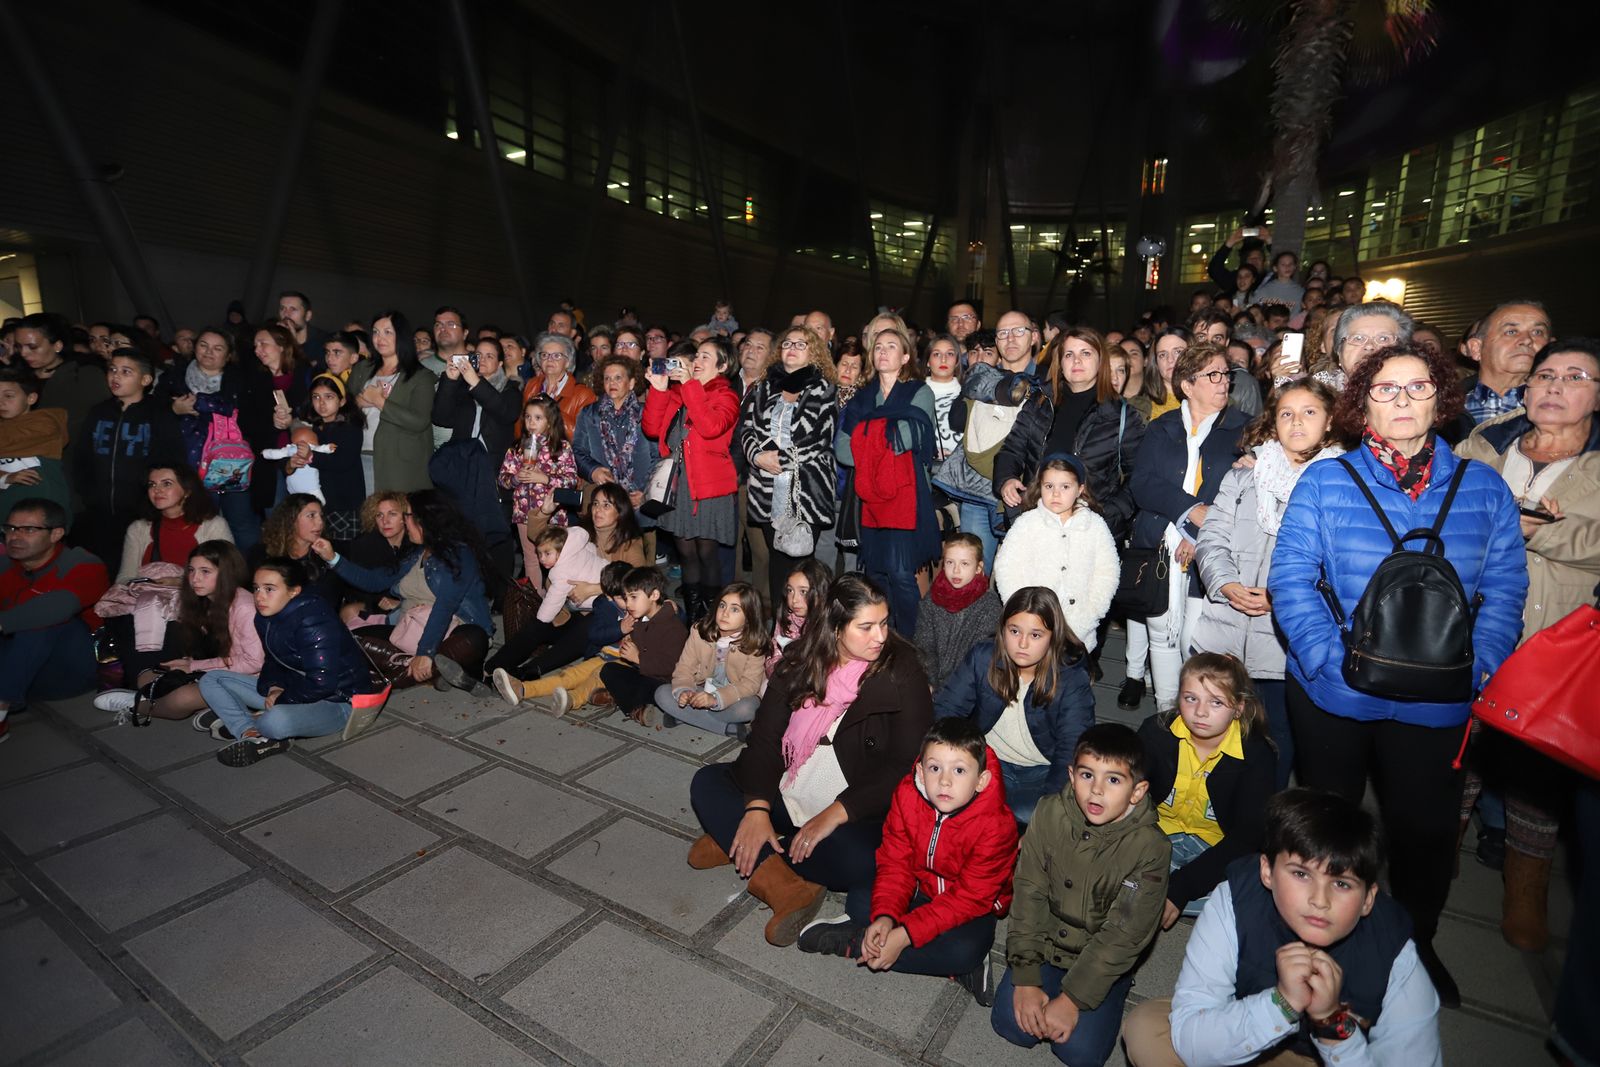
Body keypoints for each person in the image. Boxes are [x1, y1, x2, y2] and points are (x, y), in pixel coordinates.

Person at [1269, 343, 1528, 1005]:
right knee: (1328, 825)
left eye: (1418, 387)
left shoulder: (1483, 487)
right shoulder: (1327, 481)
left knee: (1425, 834)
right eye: (1386, 389)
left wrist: (1479, 668)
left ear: (1442, 399)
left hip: (1438, 701)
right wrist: (1327, 661)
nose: (1403, 400)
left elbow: (1504, 588)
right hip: (1335, 694)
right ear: (1363, 404)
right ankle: (1318, 941)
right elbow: (1291, 578)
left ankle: (1415, 946)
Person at [687, 574, 934, 945]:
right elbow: (765, 739)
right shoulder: (800, 659)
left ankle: (745, 846)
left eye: (884, 623)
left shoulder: (903, 671)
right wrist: (757, 808)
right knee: (707, 783)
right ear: (835, 628)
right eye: (866, 627)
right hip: (791, 788)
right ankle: (783, 881)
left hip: (852, 807)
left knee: (862, 860)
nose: (880, 636)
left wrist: (836, 813)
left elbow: (905, 764)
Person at [1121, 789, 1444, 1067]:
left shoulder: (1394, 951)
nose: (1320, 900)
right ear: (1267, 871)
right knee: (1148, 1030)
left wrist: (1331, 1022)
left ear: (1368, 899)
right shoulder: (1235, 898)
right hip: (1249, 1029)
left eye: (1342, 884)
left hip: (1330, 1057)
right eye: (1301, 874)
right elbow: (1190, 1035)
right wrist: (1282, 1003)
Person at [1455, 337, 1600, 952]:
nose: (1555, 386)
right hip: (1469, 628)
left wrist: (1541, 531)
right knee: (1456, 757)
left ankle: (1526, 891)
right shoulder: (1485, 446)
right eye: (1546, 375)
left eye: (1576, 377)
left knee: (1536, 776)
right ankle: (1434, 864)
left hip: (1556, 640)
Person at [796, 717, 1019, 1006]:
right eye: (935, 768)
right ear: (921, 772)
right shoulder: (907, 794)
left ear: (981, 781)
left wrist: (904, 935)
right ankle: (928, 957)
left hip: (967, 905)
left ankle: (857, 943)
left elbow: (970, 899)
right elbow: (895, 862)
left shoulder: (997, 826)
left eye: (959, 770)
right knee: (862, 901)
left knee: (967, 950)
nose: (945, 781)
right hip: (919, 886)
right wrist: (886, 916)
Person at [1191, 380, 1343, 788]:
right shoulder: (1245, 474)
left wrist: (1281, 599)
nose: (1297, 422)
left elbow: (1339, 566)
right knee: (1213, 738)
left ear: (1330, 421)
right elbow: (1212, 537)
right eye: (1286, 413)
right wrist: (1225, 583)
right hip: (1224, 630)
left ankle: (1266, 817)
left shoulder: (1340, 484)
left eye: (1309, 412)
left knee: (1276, 742)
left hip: (1285, 642)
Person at [990, 723, 1170, 1067]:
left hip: (1099, 956)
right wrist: (1025, 977)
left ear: (1137, 791)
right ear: (1072, 776)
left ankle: (1113, 987)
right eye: (1087, 775)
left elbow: (1124, 935)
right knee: (1011, 1026)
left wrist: (1072, 1000)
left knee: (1079, 1053)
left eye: (1113, 780)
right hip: (1046, 945)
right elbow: (1029, 893)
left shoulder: (1151, 848)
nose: (1096, 791)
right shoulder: (1049, 812)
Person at [1127, 341, 1252, 710]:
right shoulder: (1161, 427)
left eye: (1226, 374)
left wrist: (1198, 535)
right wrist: (1188, 511)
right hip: (1159, 544)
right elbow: (1142, 483)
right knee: (1161, 633)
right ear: (1187, 385)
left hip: (1214, 548)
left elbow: (1240, 492)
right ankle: (1167, 712)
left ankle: (1196, 711)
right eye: (1213, 375)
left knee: (1193, 642)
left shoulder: (1244, 429)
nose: (1223, 381)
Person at [198, 557, 385, 767]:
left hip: (340, 701)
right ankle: (249, 732)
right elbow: (273, 660)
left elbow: (323, 682)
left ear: (294, 591)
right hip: (296, 688)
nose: (259, 596)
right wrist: (274, 686)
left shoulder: (314, 621)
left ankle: (252, 722)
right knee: (211, 679)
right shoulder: (265, 618)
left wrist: (282, 698)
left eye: (269, 589)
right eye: (256, 588)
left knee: (274, 721)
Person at [1138, 653, 1277, 929]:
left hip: (1218, 849)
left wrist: (1182, 886)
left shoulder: (1256, 755)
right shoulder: (1155, 733)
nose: (1200, 712)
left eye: (1216, 702)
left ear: (1238, 708)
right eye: (1191, 698)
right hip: (1155, 836)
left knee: (1259, 889)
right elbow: (1128, 798)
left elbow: (1248, 836)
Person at [934, 586, 1095, 825]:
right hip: (986, 760)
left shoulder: (1071, 678)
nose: (1022, 643)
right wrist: (947, 763)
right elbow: (947, 710)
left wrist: (1049, 803)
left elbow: (1071, 748)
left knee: (1026, 814)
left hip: (1041, 771)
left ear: (1053, 637)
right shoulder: (983, 657)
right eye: (1014, 631)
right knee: (947, 795)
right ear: (1003, 629)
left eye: (1036, 635)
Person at [314, 489, 495, 692]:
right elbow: (373, 581)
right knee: (347, 638)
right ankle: (433, 670)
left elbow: (444, 607)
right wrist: (332, 558)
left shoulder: (458, 554)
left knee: (474, 637)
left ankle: (388, 681)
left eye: (407, 515)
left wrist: (425, 652)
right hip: (410, 631)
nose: (404, 520)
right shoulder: (415, 553)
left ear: (424, 519)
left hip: (453, 631)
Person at [995, 328, 1148, 543]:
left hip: (1090, 532)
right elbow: (1012, 449)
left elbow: (1139, 474)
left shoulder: (1121, 414)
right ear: (1060, 363)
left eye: (1085, 353)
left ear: (1100, 361)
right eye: (1069, 354)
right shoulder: (1040, 402)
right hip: (1037, 523)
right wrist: (1006, 479)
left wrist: (1109, 514)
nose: (1077, 361)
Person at [836, 324, 939, 634]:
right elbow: (842, 448)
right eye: (878, 347)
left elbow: (909, 437)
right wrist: (880, 440)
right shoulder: (863, 397)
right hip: (869, 498)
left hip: (907, 495)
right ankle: (883, 636)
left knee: (901, 574)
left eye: (891, 346)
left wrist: (866, 440)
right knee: (877, 576)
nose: (883, 351)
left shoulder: (918, 392)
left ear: (905, 356)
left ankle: (913, 641)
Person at [93, 541, 263, 729]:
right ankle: (212, 709)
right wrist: (189, 663)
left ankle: (135, 706)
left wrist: (194, 666)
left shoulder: (244, 607)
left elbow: (254, 662)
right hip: (220, 670)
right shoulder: (204, 601)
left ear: (227, 573)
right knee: (148, 676)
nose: (195, 579)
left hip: (251, 679)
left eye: (205, 571)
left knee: (182, 699)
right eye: (191, 570)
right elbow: (210, 648)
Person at [738, 324, 839, 611]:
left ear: (814, 352)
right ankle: (780, 627)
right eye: (787, 343)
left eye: (800, 344)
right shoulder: (763, 386)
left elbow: (819, 439)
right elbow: (747, 429)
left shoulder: (824, 389)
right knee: (777, 563)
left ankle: (807, 627)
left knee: (801, 567)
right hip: (767, 491)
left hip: (807, 493)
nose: (792, 348)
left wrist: (779, 461)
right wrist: (757, 457)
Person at [644, 337, 741, 621]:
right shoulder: (678, 393)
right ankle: (694, 619)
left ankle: (711, 620)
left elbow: (711, 427)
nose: (697, 361)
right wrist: (659, 389)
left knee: (707, 554)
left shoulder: (726, 396)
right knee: (686, 554)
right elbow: (651, 428)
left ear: (722, 365)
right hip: (678, 485)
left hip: (708, 487)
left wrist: (689, 386)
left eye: (705, 357)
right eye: (696, 355)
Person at [0, 498, 110, 735]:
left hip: (70, 669)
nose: (15, 536)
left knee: (45, 619)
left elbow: (59, 607)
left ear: (56, 534)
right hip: (18, 667)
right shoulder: (6, 565)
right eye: (10, 528)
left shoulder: (83, 564)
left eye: (29, 529)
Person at [993, 453, 1119, 651]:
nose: (1056, 494)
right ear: (1040, 486)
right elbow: (1006, 569)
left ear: (1080, 489)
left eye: (1065, 487)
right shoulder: (1027, 523)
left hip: (1079, 631)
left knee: (1071, 671)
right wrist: (1022, 613)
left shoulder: (1095, 526)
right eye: (1049, 486)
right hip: (1031, 630)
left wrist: (1090, 614)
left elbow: (1107, 573)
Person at [74, 348, 184, 566]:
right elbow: (82, 457)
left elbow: (173, 459)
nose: (115, 376)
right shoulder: (98, 412)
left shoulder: (159, 413)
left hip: (142, 509)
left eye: (126, 372)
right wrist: (86, 493)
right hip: (98, 508)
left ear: (145, 380)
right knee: (101, 564)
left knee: (137, 564)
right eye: (112, 370)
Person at [159, 327, 268, 549]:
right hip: (188, 464)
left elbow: (252, 417)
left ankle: (248, 567)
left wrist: (205, 404)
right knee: (199, 523)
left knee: (241, 523)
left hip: (231, 463)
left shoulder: (241, 380)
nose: (209, 352)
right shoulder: (173, 376)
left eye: (218, 348)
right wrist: (173, 409)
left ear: (228, 355)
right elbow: (154, 413)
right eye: (203, 345)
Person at [491, 560, 631, 714]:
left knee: (593, 678)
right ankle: (521, 687)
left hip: (625, 662)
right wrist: (619, 628)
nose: (628, 601)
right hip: (605, 655)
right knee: (570, 675)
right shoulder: (606, 604)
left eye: (630, 596)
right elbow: (597, 634)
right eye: (621, 597)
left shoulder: (640, 605)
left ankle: (571, 700)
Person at [483, 523, 605, 681]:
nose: (542, 559)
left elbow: (551, 604)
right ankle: (494, 667)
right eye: (539, 554)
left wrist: (592, 588)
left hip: (605, 611)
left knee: (544, 622)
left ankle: (521, 673)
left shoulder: (562, 571)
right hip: (581, 609)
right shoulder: (578, 545)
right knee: (538, 628)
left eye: (547, 554)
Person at [431, 333, 521, 545]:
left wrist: (475, 382)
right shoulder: (462, 389)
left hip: (492, 472)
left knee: (492, 538)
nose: (483, 360)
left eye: (490, 356)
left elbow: (505, 413)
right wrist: (450, 379)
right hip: (461, 469)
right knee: (459, 533)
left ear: (500, 363)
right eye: (478, 355)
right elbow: (440, 418)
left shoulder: (510, 390)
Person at [653, 581, 769, 737]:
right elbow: (684, 667)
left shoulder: (755, 644)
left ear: (749, 616)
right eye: (722, 605)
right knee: (661, 694)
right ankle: (726, 728)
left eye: (735, 609)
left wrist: (715, 699)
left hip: (733, 697)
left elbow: (750, 685)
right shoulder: (699, 631)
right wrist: (685, 691)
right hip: (700, 690)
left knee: (749, 708)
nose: (725, 613)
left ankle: (685, 716)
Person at [14, 313, 110, 499]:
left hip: (77, 472)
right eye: (19, 346)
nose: (24, 353)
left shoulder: (84, 375)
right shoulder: (16, 378)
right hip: (23, 474)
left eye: (32, 346)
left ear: (57, 345)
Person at [349, 311, 437, 494]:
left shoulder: (421, 377)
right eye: (375, 332)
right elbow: (342, 407)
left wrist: (378, 401)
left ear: (401, 336)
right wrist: (359, 401)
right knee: (365, 510)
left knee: (394, 509)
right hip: (359, 453)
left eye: (387, 332)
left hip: (399, 461)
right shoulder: (362, 368)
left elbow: (419, 421)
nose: (380, 338)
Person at [499, 395, 580, 582]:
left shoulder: (560, 448)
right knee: (531, 559)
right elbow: (503, 478)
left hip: (553, 513)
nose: (531, 422)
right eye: (528, 417)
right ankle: (536, 597)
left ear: (550, 421)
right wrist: (516, 478)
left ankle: (557, 595)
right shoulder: (518, 447)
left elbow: (571, 480)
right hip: (524, 513)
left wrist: (545, 478)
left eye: (538, 418)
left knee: (557, 559)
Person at [598, 565, 689, 726]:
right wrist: (630, 642)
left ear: (654, 595)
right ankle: (636, 706)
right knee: (608, 670)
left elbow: (671, 667)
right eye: (626, 598)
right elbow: (642, 645)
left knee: (649, 686)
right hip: (646, 674)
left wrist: (638, 658)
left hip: (668, 683)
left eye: (633, 597)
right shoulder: (641, 620)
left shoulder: (673, 627)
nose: (628, 604)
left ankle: (631, 704)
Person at [571, 355, 654, 533]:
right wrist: (593, 471)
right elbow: (577, 451)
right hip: (604, 499)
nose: (612, 383)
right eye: (607, 378)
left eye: (618, 378)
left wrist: (648, 493)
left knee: (639, 549)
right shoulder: (589, 413)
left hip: (639, 500)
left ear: (631, 383)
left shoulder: (647, 413)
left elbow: (659, 457)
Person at [912, 532, 1002, 693]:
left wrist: (951, 693)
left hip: (968, 688)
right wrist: (931, 684)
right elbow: (924, 647)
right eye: (950, 562)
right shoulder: (931, 599)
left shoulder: (989, 604)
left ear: (978, 568)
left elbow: (979, 657)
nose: (956, 570)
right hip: (932, 684)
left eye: (965, 564)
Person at [115, 464, 234, 583]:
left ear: (187, 491)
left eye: (167, 484)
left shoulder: (214, 526)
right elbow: (124, 579)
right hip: (146, 593)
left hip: (198, 595)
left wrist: (179, 583)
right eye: (152, 484)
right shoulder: (138, 529)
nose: (157, 490)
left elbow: (228, 576)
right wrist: (148, 586)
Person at [1455, 299, 1551, 433]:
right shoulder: (1442, 409)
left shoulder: (1565, 406)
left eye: (1537, 332)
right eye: (1511, 332)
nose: (1527, 340)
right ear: (1476, 349)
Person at [290, 373, 365, 539]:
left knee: (342, 547)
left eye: (328, 397)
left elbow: (342, 461)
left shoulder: (350, 428)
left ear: (342, 401)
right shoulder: (314, 428)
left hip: (343, 502)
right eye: (316, 397)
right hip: (320, 503)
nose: (321, 403)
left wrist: (311, 456)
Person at [0, 366, 72, 522]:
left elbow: (9, 440)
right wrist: (5, 477)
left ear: (31, 398)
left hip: (42, 506)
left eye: (9, 396)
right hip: (6, 507)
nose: (1, 402)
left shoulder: (45, 423)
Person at [335, 491, 411, 628]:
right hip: (373, 604)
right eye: (379, 515)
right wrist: (381, 602)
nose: (385, 521)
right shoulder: (364, 544)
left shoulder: (414, 542)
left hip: (409, 603)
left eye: (392, 514)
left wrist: (400, 602)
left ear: (405, 517)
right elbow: (359, 589)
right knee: (351, 611)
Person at [253, 494, 339, 604]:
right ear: (291, 520)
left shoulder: (330, 553)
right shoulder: (263, 554)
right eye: (311, 515)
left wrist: (332, 559)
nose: (320, 522)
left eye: (321, 516)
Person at [521, 332, 597, 439]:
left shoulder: (583, 394)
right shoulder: (532, 385)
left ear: (568, 362)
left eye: (557, 356)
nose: (549, 359)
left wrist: (550, 408)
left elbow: (584, 437)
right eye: (544, 355)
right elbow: (521, 427)